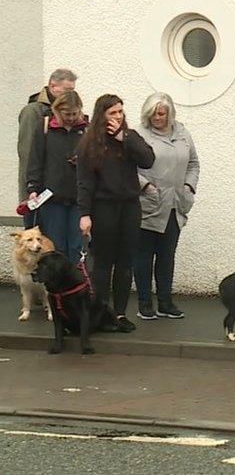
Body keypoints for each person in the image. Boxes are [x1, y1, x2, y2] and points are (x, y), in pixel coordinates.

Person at [77, 94, 155, 333]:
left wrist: (125, 138)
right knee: (102, 263)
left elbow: (148, 160)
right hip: (104, 208)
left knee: (125, 263)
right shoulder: (89, 144)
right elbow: (84, 182)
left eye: (120, 112)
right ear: (102, 116)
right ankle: (101, 313)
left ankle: (120, 313)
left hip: (129, 207)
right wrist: (85, 213)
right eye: (113, 113)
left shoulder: (130, 137)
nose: (118, 117)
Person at [134, 92, 200, 321]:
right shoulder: (139, 135)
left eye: (161, 114)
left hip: (175, 205)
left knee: (167, 256)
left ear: (170, 113)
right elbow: (129, 168)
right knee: (143, 256)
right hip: (149, 205)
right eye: (152, 114)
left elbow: (193, 163)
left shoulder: (182, 133)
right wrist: (145, 187)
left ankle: (165, 302)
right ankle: (144, 303)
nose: (157, 118)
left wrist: (189, 187)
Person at [25, 91, 87, 263]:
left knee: (77, 246)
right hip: (52, 198)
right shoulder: (45, 127)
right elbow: (35, 160)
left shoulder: (86, 129)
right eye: (67, 114)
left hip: (78, 198)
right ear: (57, 110)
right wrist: (32, 188)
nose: (72, 118)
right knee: (55, 246)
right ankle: (57, 288)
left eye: (75, 113)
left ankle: (77, 286)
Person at [18, 68, 77, 226]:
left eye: (73, 90)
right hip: (39, 190)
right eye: (67, 90)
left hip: (62, 190)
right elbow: (28, 154)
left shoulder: (70, 113)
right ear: (53, 86)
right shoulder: (33, 112)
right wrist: (30, 190)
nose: (70, 94)